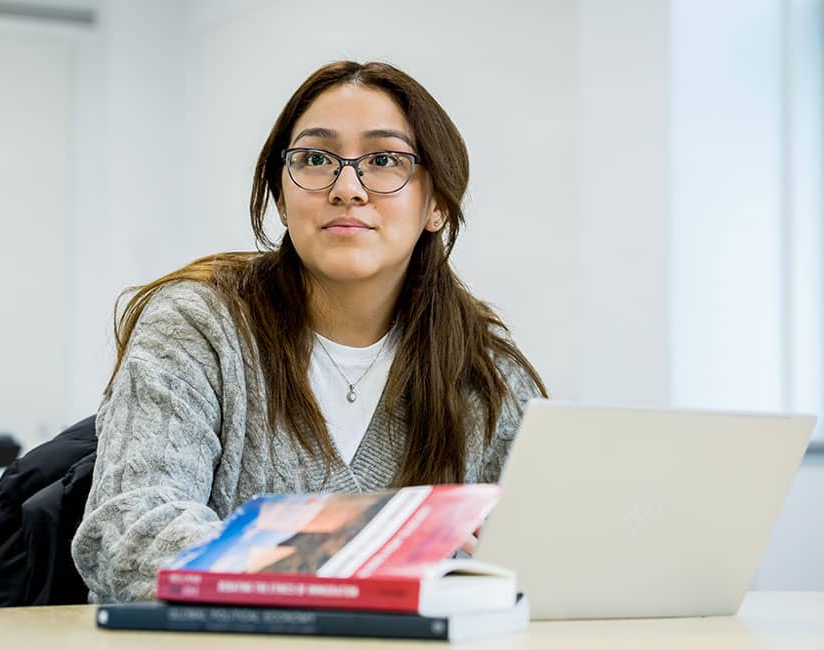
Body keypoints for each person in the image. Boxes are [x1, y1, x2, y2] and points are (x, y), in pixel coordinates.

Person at [71, 60, 548, 603]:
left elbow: (547, 564)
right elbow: (130, 535)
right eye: (316, 159)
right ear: (280, 194)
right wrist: (369, 546)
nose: (347, 188)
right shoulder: (197, 325)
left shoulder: (485, 371)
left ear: (436, 203)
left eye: (385, 160)